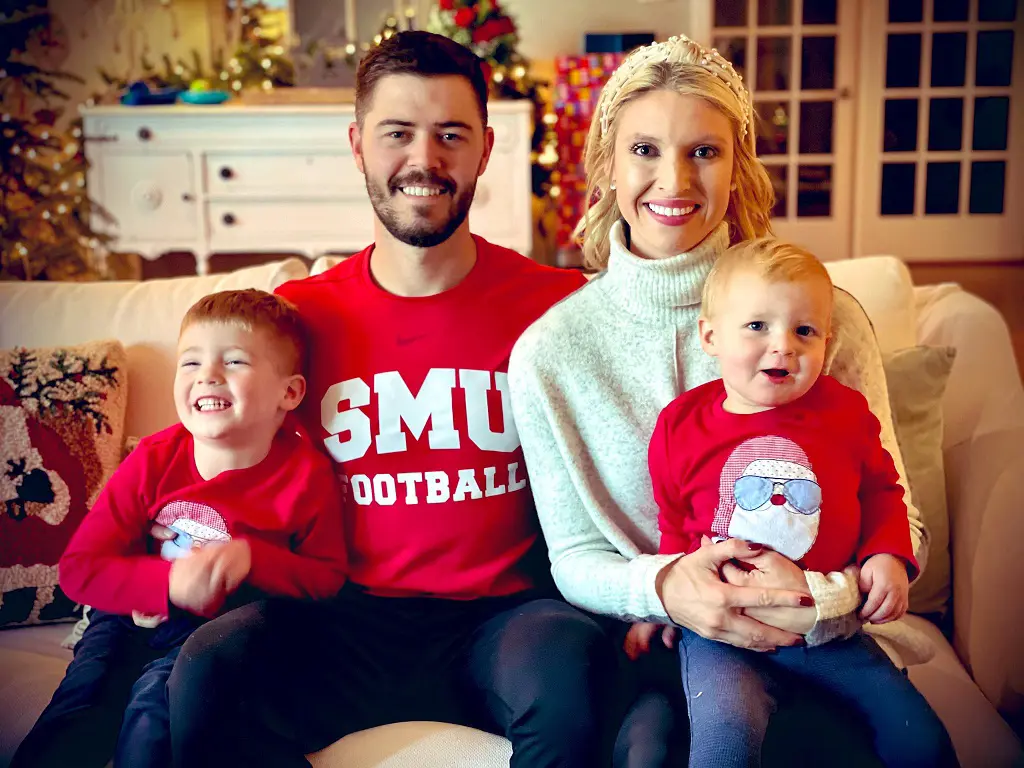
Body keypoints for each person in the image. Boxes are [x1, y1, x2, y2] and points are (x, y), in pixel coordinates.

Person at [166, 31, 611, 768]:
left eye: (450, 135)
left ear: (485, 148)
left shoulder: (559, 304)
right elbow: (228, 464)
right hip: (345, 618)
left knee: (564, 669)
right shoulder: (296, 319)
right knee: (211, 666)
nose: (424, 160)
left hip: (505, 618)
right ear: (358, 144)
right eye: (397, 133)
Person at [509, 35, 938, 767]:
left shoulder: (822, 321)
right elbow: (574, 555)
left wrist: (826, 594)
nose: (672, 179)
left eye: (703, 152)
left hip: (824, 628)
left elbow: (899, 514)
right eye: (644, 149)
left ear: (737, 167)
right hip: (665, 643)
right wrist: (670, 587)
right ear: (608, 163)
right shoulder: (551, 352)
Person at [629, 237, 954, 767]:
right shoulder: (680, 426)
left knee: (918, 735)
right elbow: (674, 520)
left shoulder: (844, 413)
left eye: (804, 330)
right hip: (723, 633)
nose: (783, 346)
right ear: (710, 336)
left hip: (828, 630)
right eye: (757, 326)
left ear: (827, 340)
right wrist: (663, 599)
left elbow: (881, 492)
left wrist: (888, 556)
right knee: (725, 741)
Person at [11, 289, 348, 768]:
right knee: (79, 705)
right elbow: (79, 569)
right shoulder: (153, 459)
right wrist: (167, 583)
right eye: (190, 363)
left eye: (233, 361)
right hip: (129, 619)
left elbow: (327, 579)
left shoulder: (307, 475)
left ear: (289, 393)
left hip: (221, 634)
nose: (207, 375)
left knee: (154, 712)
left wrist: (254, 559)